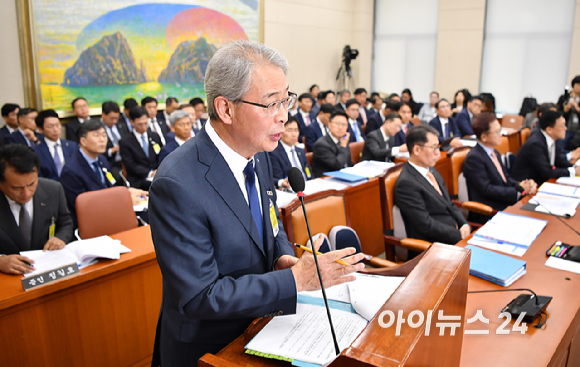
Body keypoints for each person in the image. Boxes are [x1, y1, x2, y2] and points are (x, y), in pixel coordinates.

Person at [149, 40, 363, 366]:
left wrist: (283, 259)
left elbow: (269, 227)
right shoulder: (177, 184)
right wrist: (293, 281)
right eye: (271, 105)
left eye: (286, 100)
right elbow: (199, 297)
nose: (283, 117)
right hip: (211, 349)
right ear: (225, 109)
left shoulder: (259, 155)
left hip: (263, 327)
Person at [0, 144, 73, 274]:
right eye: (17, 188)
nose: (26, 193)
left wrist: (60, 238)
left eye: (31, 184)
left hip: (47, 269)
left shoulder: (53, 189)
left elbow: (66, 222)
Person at [60, 120, 147, 228]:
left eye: (104, 135)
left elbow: (108, 187)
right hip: (90, 223)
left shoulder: (102, 159)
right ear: (83, 141)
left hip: (110, 214)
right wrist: (124, 200)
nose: (102, 140)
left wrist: (126, 192)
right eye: (96, 136)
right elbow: (84, 207)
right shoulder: (71, 171)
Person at [394, 125, 470, 245]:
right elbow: (425, 225)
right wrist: (458, 235)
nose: (438, 154)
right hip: (436, 245)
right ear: (417, 150)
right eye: (434, 148)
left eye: (438, 147)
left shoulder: (432, 171)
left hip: (455, 234)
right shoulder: (406, 183)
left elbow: (449, 203)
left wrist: (464, 224)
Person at [463, 113, 537, 223]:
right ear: (484, 137)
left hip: (504, 201)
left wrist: (522, 185)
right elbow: (487, 189)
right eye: (497, 132)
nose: (501, 134)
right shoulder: (474, 158)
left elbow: (505, 178)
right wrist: (517, 191)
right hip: (490, 209)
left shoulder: (494, 152)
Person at [511, 110, 580, 186]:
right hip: (528, 185)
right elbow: (546, 171)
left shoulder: (552, 139)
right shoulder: (535, 144)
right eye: (562, 126)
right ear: (549, 129)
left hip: (542, 181)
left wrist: (574, 167)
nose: (565, 128)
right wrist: (572, 171)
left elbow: (559, 161)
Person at [119, 106, 163, 190]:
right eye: (140, 124)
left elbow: (160, 155)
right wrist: (150, 173)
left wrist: (159, 170)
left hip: (157, 174)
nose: (143, 127)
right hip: (139, 178)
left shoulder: (154, 136)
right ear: (132, 122)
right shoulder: (125, 141)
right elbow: (130, 165)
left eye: (145, 123)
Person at [34, 109, 78, 181]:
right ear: (40, 129)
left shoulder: (72, 146)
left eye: (57, 125)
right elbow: (39, 178)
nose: (56, 129)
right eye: (50, 126)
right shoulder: (36, 151)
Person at [269, 117, 313, 188]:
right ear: (281, 131)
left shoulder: (300, 150)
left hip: (308, 187)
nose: (294, 134)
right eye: (289, 130)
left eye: (296, 130)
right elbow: (277, 178)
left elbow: (308, 170)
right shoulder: (274, 152)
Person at [312, 110, 353, 177]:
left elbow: (348, 163)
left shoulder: (343, 140)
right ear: (329, 125)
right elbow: (337, 165)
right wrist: (343, 146)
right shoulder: (321, 145)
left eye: (344, 124)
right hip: (327, 180)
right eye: (337, 124)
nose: (340, 127)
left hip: (345, 177)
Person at [100, 101, 124, 184]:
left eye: (116, 118)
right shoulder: (98, 128)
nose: (114, 121)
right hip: (111, 162)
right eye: (111, 118)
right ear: (103, 114)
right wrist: (112, 150)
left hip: (125, 159)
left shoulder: (121, 125)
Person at [557, 75, 580, 150]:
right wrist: (565, 110)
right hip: (566, 127)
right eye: (578, 85)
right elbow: (558, 112)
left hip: (578, 130)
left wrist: (577, 108)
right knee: (561, 146)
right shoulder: (565, 97)